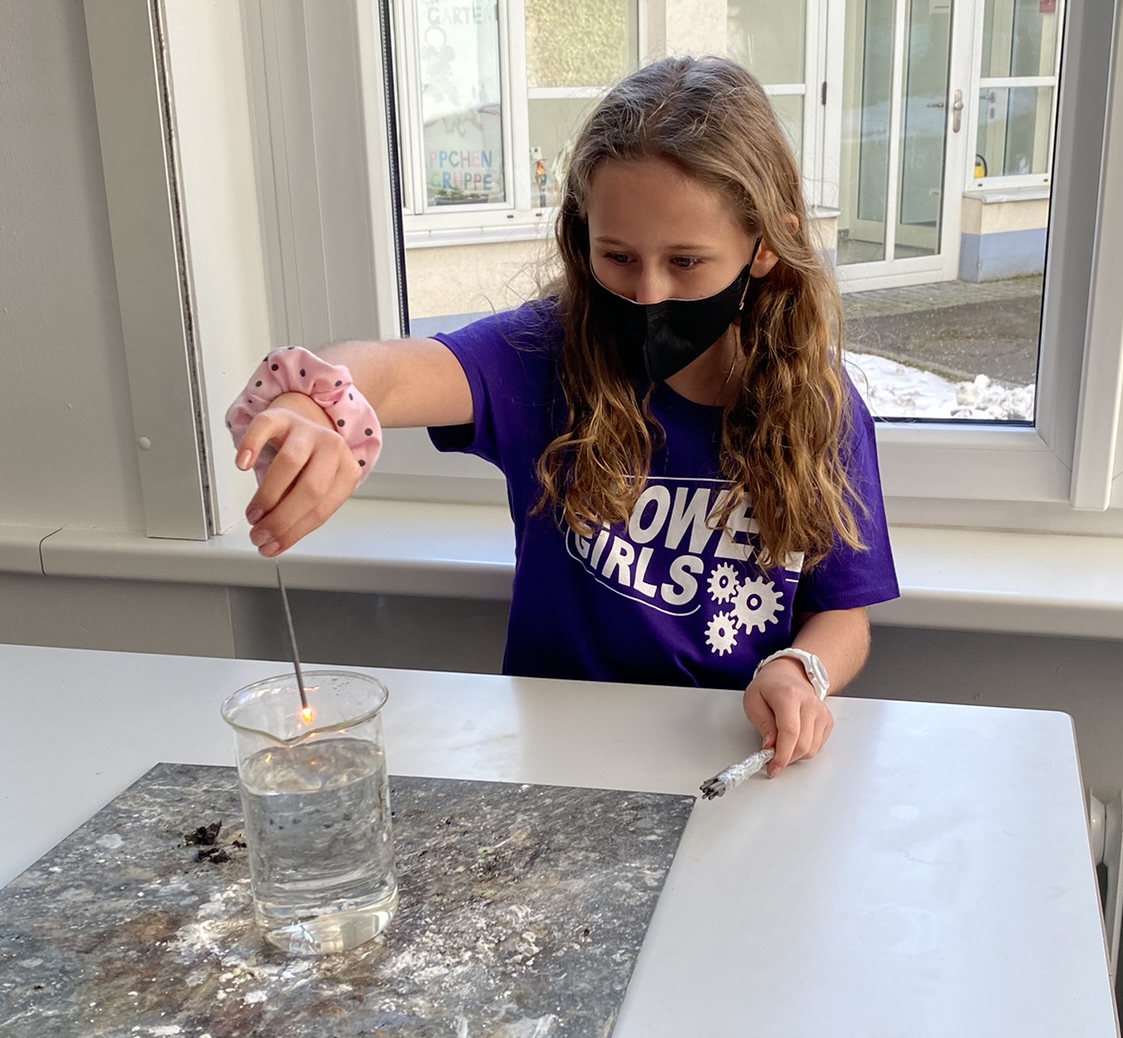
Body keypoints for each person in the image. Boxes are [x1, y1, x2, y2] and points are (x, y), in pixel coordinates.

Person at [227, 56, 899, 778]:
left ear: (764, 247)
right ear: (583, 238)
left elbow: (844, 612)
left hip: (729, 756)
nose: (647, 293)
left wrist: (800, 671)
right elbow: (392, 372)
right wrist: (311, 402)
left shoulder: (817, 407)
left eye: (685, 262)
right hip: (553, 763)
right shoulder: (543, 357)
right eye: (618, 256)